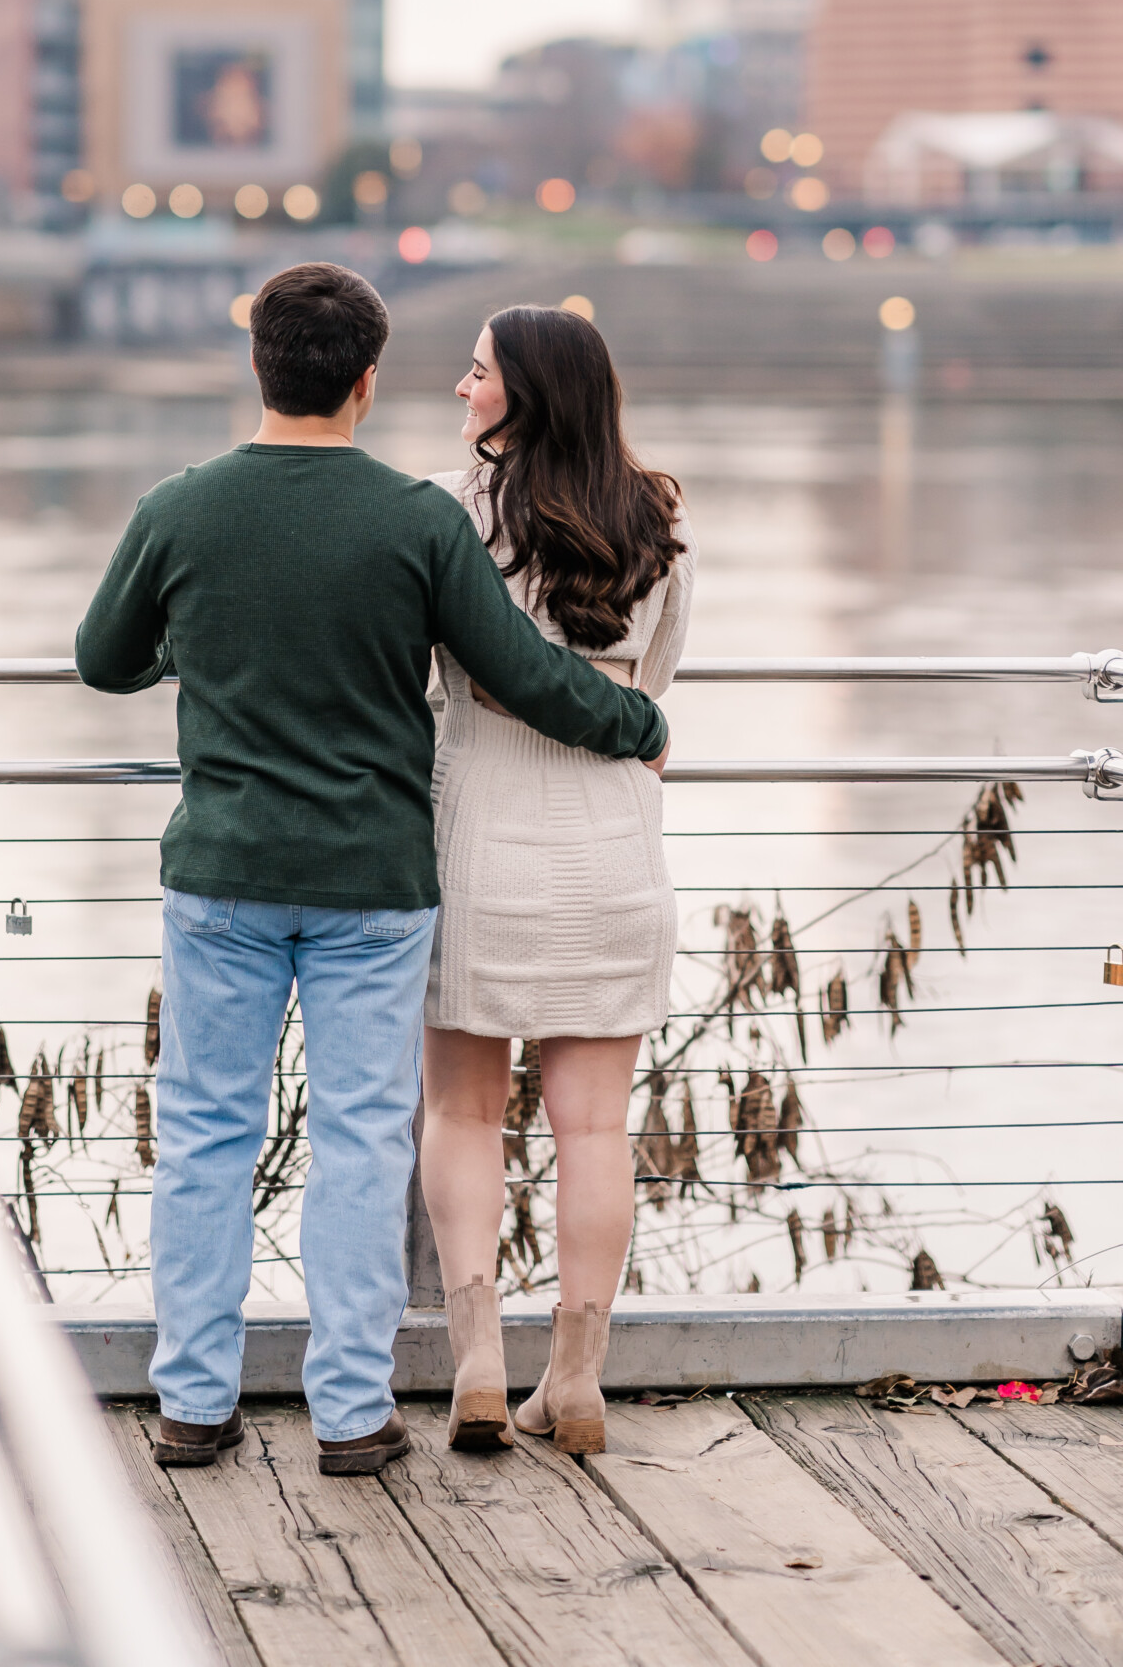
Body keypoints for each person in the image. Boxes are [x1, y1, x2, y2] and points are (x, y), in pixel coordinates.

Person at [74, 263, 669, 1478]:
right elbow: (521, 669)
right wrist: (638, 727)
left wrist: (201, 645)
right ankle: (351, 1414)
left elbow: (103, 659)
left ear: (260, 366)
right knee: (361, 1140)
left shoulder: (179, 508)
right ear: (365, 381)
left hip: (224, 874)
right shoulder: (416, 517)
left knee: (201, 1136)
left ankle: (193, 1400)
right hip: (374, 884)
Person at [420, 305, 695, 1455]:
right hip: (614, 846)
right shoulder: (659, 515)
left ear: (522, 393)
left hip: (482, 833)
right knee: (594, 1131)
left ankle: (479, 1359)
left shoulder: (451, 511)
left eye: (476, 372)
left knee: (463, 1109)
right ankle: (576, 1378)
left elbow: (431, 668)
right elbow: (657, 684)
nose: (459, 388)